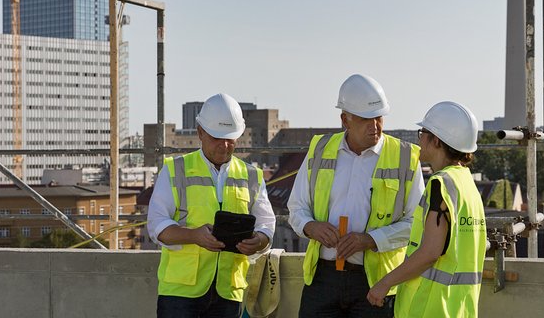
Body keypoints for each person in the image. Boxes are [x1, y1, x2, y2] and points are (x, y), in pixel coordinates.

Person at [288, 73, 425, 318]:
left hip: (376, 282)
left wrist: (371, 240)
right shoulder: (320, 150)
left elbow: (418, 223)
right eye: (365, 119)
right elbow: (296, 206)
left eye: (379, 117)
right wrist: (310, 226)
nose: (375, 127)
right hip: (323, 277)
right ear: (345, 119)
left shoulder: (406, 157)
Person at [147, 93, 276, 318]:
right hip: (180, 292)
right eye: (217, 137)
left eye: (231, 139)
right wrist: (194, 236)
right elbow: (157, 226)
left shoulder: (251, 175)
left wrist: (259, 241)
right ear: (200, 133)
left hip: (229, 291)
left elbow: (267, 224)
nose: (224, 145)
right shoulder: (175, 169)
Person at [367, 101, 487, 317]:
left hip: (431, 307)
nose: (419, 140)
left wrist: (385, 283)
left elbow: (430, 253)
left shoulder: (440, 185)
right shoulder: (467, 185)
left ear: (437, 141)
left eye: (422, 133)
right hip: (460, 308)